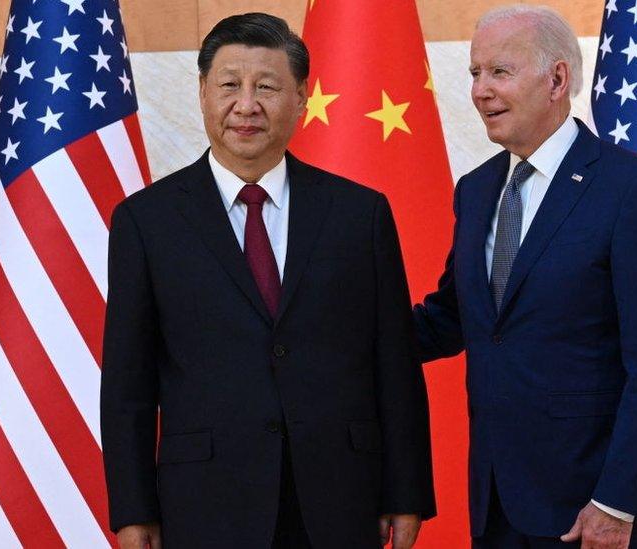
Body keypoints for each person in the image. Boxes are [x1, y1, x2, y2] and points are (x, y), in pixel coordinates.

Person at [101, 13, 435, 549]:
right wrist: (132, 509)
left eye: (268, 87)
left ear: (302, 97)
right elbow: (127, 383)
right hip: (206, 499)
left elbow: (392, 361)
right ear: (204, 92)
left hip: (340, 495)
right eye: (230, 85)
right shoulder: (147, 221)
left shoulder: (360, 214)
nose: (247, 104)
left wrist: (405, 489)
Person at [413, 5, 637, 548]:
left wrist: (616, 502)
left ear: (557, 78)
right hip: (497, 499)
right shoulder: (475, 189)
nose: (480, 91)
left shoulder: (631, 189)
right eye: (474, 73)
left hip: (593, 509)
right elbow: (457, 318)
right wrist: (340, 328)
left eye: (499, 72)